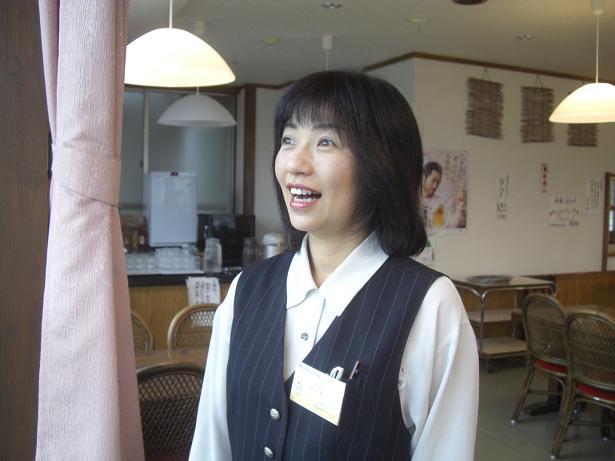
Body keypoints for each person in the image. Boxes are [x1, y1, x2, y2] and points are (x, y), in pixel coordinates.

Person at [189, 70, 478, 461]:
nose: (295, 163)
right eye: (288, 139)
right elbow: (211, 443)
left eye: (325, 142)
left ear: (381, 164)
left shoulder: (429, 303)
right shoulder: (247, 289)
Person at [421, 161, 465, 230]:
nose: (435, 186)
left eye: (438, 183)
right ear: (423, 178)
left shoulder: (439, 203)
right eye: (433, 181)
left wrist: (459, 209)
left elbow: (450, 225)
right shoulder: (411, 199)